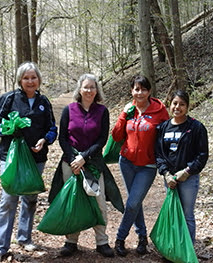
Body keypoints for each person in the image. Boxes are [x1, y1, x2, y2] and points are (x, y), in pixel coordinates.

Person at [0, 62, 58, 263]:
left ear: (39, 80)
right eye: (26, 78)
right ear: (20, 80)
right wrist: (7, 130)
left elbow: (52, 128)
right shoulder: (9, 99)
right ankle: (0, 246)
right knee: (9, 200)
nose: (30, 81)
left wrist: (45, 140)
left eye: (33, 78)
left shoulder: (44, 102)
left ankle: (24, 237)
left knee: (30, 198)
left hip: (36, 158)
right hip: (11, 158)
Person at [48, 73, 124, 258]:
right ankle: (71, 241)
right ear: (79, 89)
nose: (89, 90)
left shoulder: (102, 111)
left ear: (97, 90)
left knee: (99, 202)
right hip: (70, 163)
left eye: (92, 87)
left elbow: (102, 139)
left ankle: (102, 242)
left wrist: (84, 158)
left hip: (93, 163)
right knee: (73, 201)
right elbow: (63, 138)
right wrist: (74, 158)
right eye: (86, 87)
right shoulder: (69, 110)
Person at [112, 75, 169, 257]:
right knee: (134, 202)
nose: (140, 92)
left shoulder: (159, 111)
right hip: (126, 162)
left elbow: (167, 135)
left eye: (143, 89)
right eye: (136, 89)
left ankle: (120, 238)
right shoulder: (129, 111)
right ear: (132, 91)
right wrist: (123, 114)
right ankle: (142, 236)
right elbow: (116, 136)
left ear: (149, 91)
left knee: (133, 202)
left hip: (148, 165)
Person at [155, 89, 209, 244]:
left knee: (187, 215)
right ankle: (174, 249)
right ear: (169, 105)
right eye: (175, 103)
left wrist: (187, 171)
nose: (177, 107)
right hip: (169, 178)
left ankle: (187, 252)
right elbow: (158, 154)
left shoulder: (196, 127)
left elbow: (202, 155)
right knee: (173, 214)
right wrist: (165, 173)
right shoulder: (163, 128)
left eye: (182, 104)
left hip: (188, 179)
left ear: (187, 107)